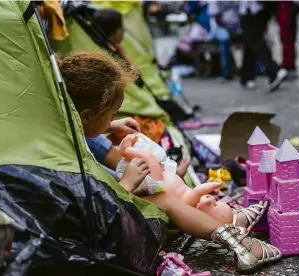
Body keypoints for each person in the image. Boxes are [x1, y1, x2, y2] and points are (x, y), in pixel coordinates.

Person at [58, 51, 282, 272]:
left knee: (167, 195)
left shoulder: (60, 128)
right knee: (164, 199)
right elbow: (94, 209)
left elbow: (86, 133)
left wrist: (109, 124)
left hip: (102, 216)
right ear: (87, 116)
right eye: (112, 113)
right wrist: (126, 185)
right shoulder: (63, 154)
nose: (115, 118)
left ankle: (233, 229)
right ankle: (239, 240)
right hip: (96, 232)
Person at [239, 1, 288, 92]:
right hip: (263, 7)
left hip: (254, 8)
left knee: (254, 39)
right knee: (250, 39)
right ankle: (246, 76)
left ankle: (274, 70)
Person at [208, 1, 241, 80]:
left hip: (236, 26)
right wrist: (230, 31)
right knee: (225, 38)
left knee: (251, 37)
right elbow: (217, 19)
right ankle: (227, 72)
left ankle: (253, 70)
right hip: (219, 27)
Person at [276, 1, 299, 80]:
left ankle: (288, 67)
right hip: (291, 5)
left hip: (286, 6)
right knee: (289, 37)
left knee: (286, 37)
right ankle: (289, 66)